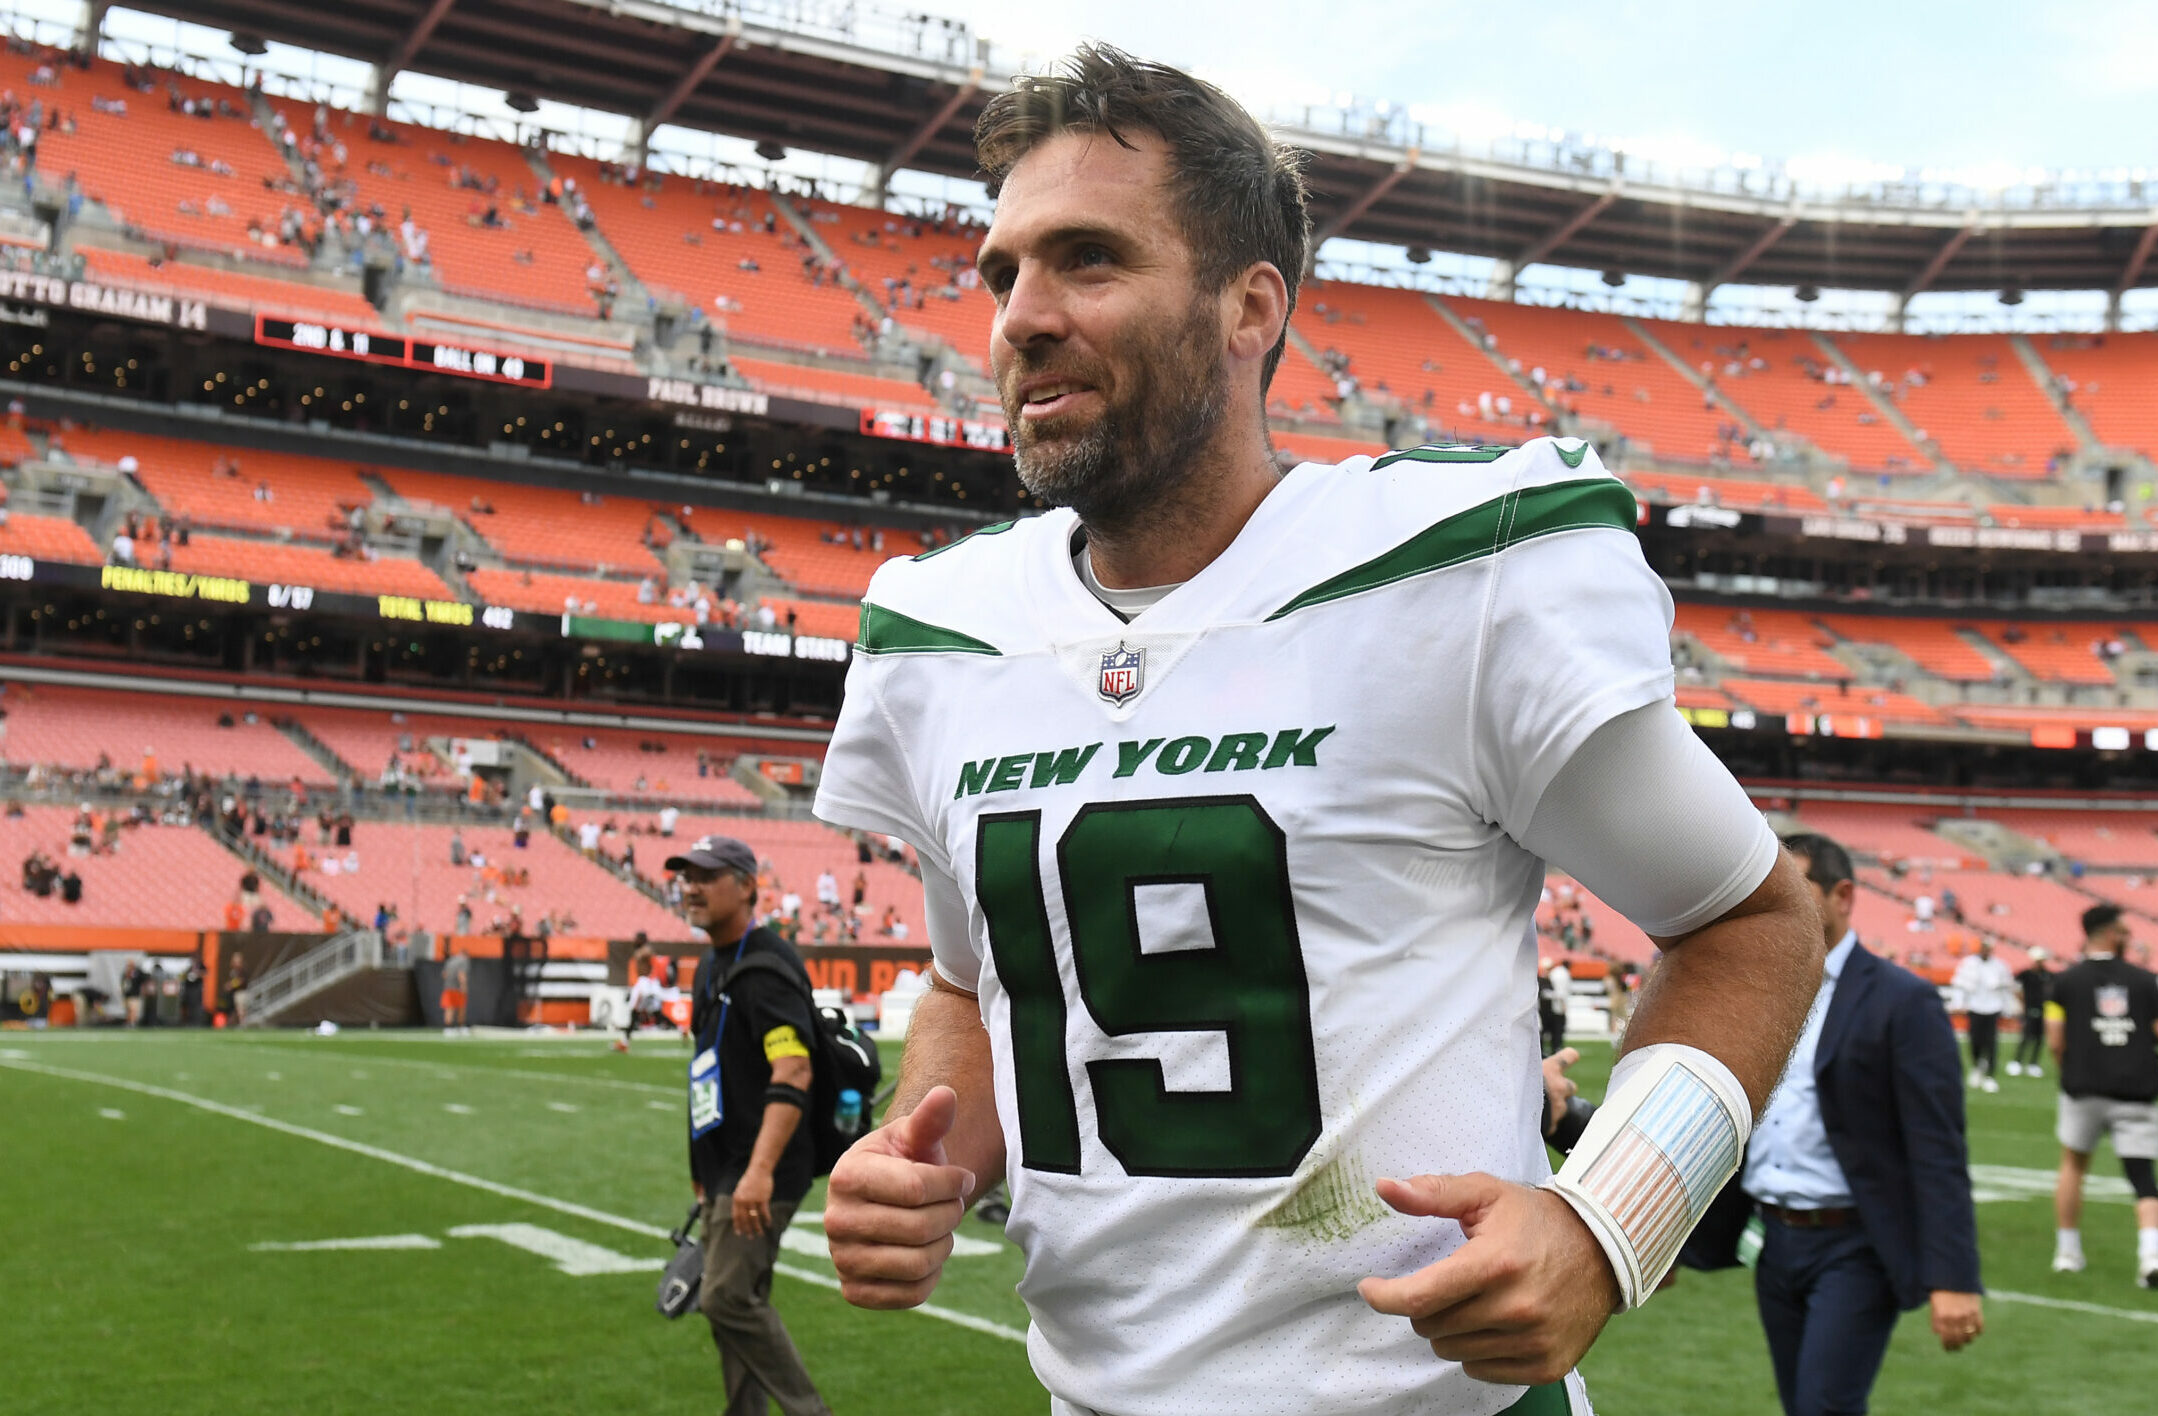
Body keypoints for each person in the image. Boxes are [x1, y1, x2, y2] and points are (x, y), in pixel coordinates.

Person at [811, 46, 1825, 1414]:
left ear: (1250, 308)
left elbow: (1754, 923)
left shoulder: (1447, 578)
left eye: (1089, 261)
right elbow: (967, 984)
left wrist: (1609, 1224)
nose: (1022, 317)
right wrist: (928, 1155)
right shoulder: (947, 633)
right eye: (1001, 274)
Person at [1682, 833, 1982, 1416]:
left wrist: (1954, 1276)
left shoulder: (1903, 1001)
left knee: (1825, 1407)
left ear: (1843, 895)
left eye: (1793, 889)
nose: (1774, 904)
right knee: (1803, 1407)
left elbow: (1937, 1147)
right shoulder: (1762, 994)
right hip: (1775, 1243)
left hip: (1856, 1245)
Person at [672, 835, 831, 1416]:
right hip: (725, 1166)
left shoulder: (766, 967)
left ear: (746, 886)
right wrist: (702, 1167)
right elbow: (705, 1071)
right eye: (686, 875)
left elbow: (793, 1068)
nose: (691, 886)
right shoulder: (711, 963)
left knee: (725, 1298)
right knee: (732, 1304)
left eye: (707, 875)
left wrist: (759, 1171)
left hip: (761, 1167)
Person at [2047, 904, 2158, 1288]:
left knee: (2073, 1166)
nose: (2128, 936)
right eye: (2122, 930)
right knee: (2144, 1177)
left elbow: (2055, 1037)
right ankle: (2152, 1255)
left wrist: (2072, 1064)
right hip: (2135, 1089)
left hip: (2084, 1087)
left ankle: (2067, 1251)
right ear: (2107, 932)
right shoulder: (2146, 980)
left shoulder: (2065, 982)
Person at [1952, 938, 2010, 1093]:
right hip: (1975, 1006)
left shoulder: (1999, 965)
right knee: (1975, 1040)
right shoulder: (1969, 963)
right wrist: (1958, 1003)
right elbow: (1960, 985)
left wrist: (2007, 1007)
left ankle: (1990, 1075)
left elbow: (2006, 987)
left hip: (1993, 1007)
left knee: (1991, 1042)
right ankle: (1977, 1066)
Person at [615, 932, 666, 1052]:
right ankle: (681, 1028)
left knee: (635, 1012)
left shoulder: (646, 951)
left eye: (637, 939)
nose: (635, 941)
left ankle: (624, 1042)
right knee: (653, 1012)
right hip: (642, 983)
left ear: (642, 940)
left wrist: (652, 981)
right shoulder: (641, 951)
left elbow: (656, 965)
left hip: (644, 983)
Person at [2008, 946, 2053, 1077]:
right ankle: (2017, 1061)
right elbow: (2016, 988)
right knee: (2026, 1036)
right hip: (2029, 1009)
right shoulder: (2025, 974)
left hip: (2043, 1009)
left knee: (2039, 1038)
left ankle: (2033, 1064)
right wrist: (2021, 1003)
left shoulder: (2047, 975)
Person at [440, 945, 469, 1035]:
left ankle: (448, 1028)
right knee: (461, 1008)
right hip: (457, 988)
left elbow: (444, 974)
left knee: (449, 1008)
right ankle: (461, 1027)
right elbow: (461, 975)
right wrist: (463, 986)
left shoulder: (450, 961)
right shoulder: (463, 961)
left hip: (448, 987)